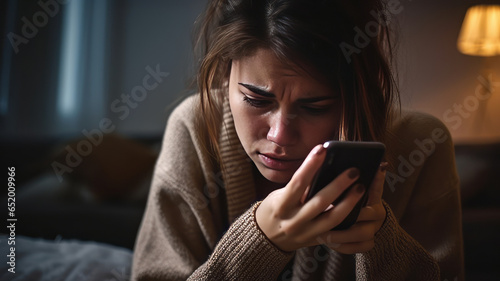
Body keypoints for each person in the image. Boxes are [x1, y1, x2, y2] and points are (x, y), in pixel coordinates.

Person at [132, 0, 464, 280]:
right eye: (256, 101)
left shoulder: (422, 142)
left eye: (315, 107)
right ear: (225, 73)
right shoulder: (194, 126)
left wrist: (383, 244)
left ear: (356, 93)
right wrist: (259, 241)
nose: (279, 135)